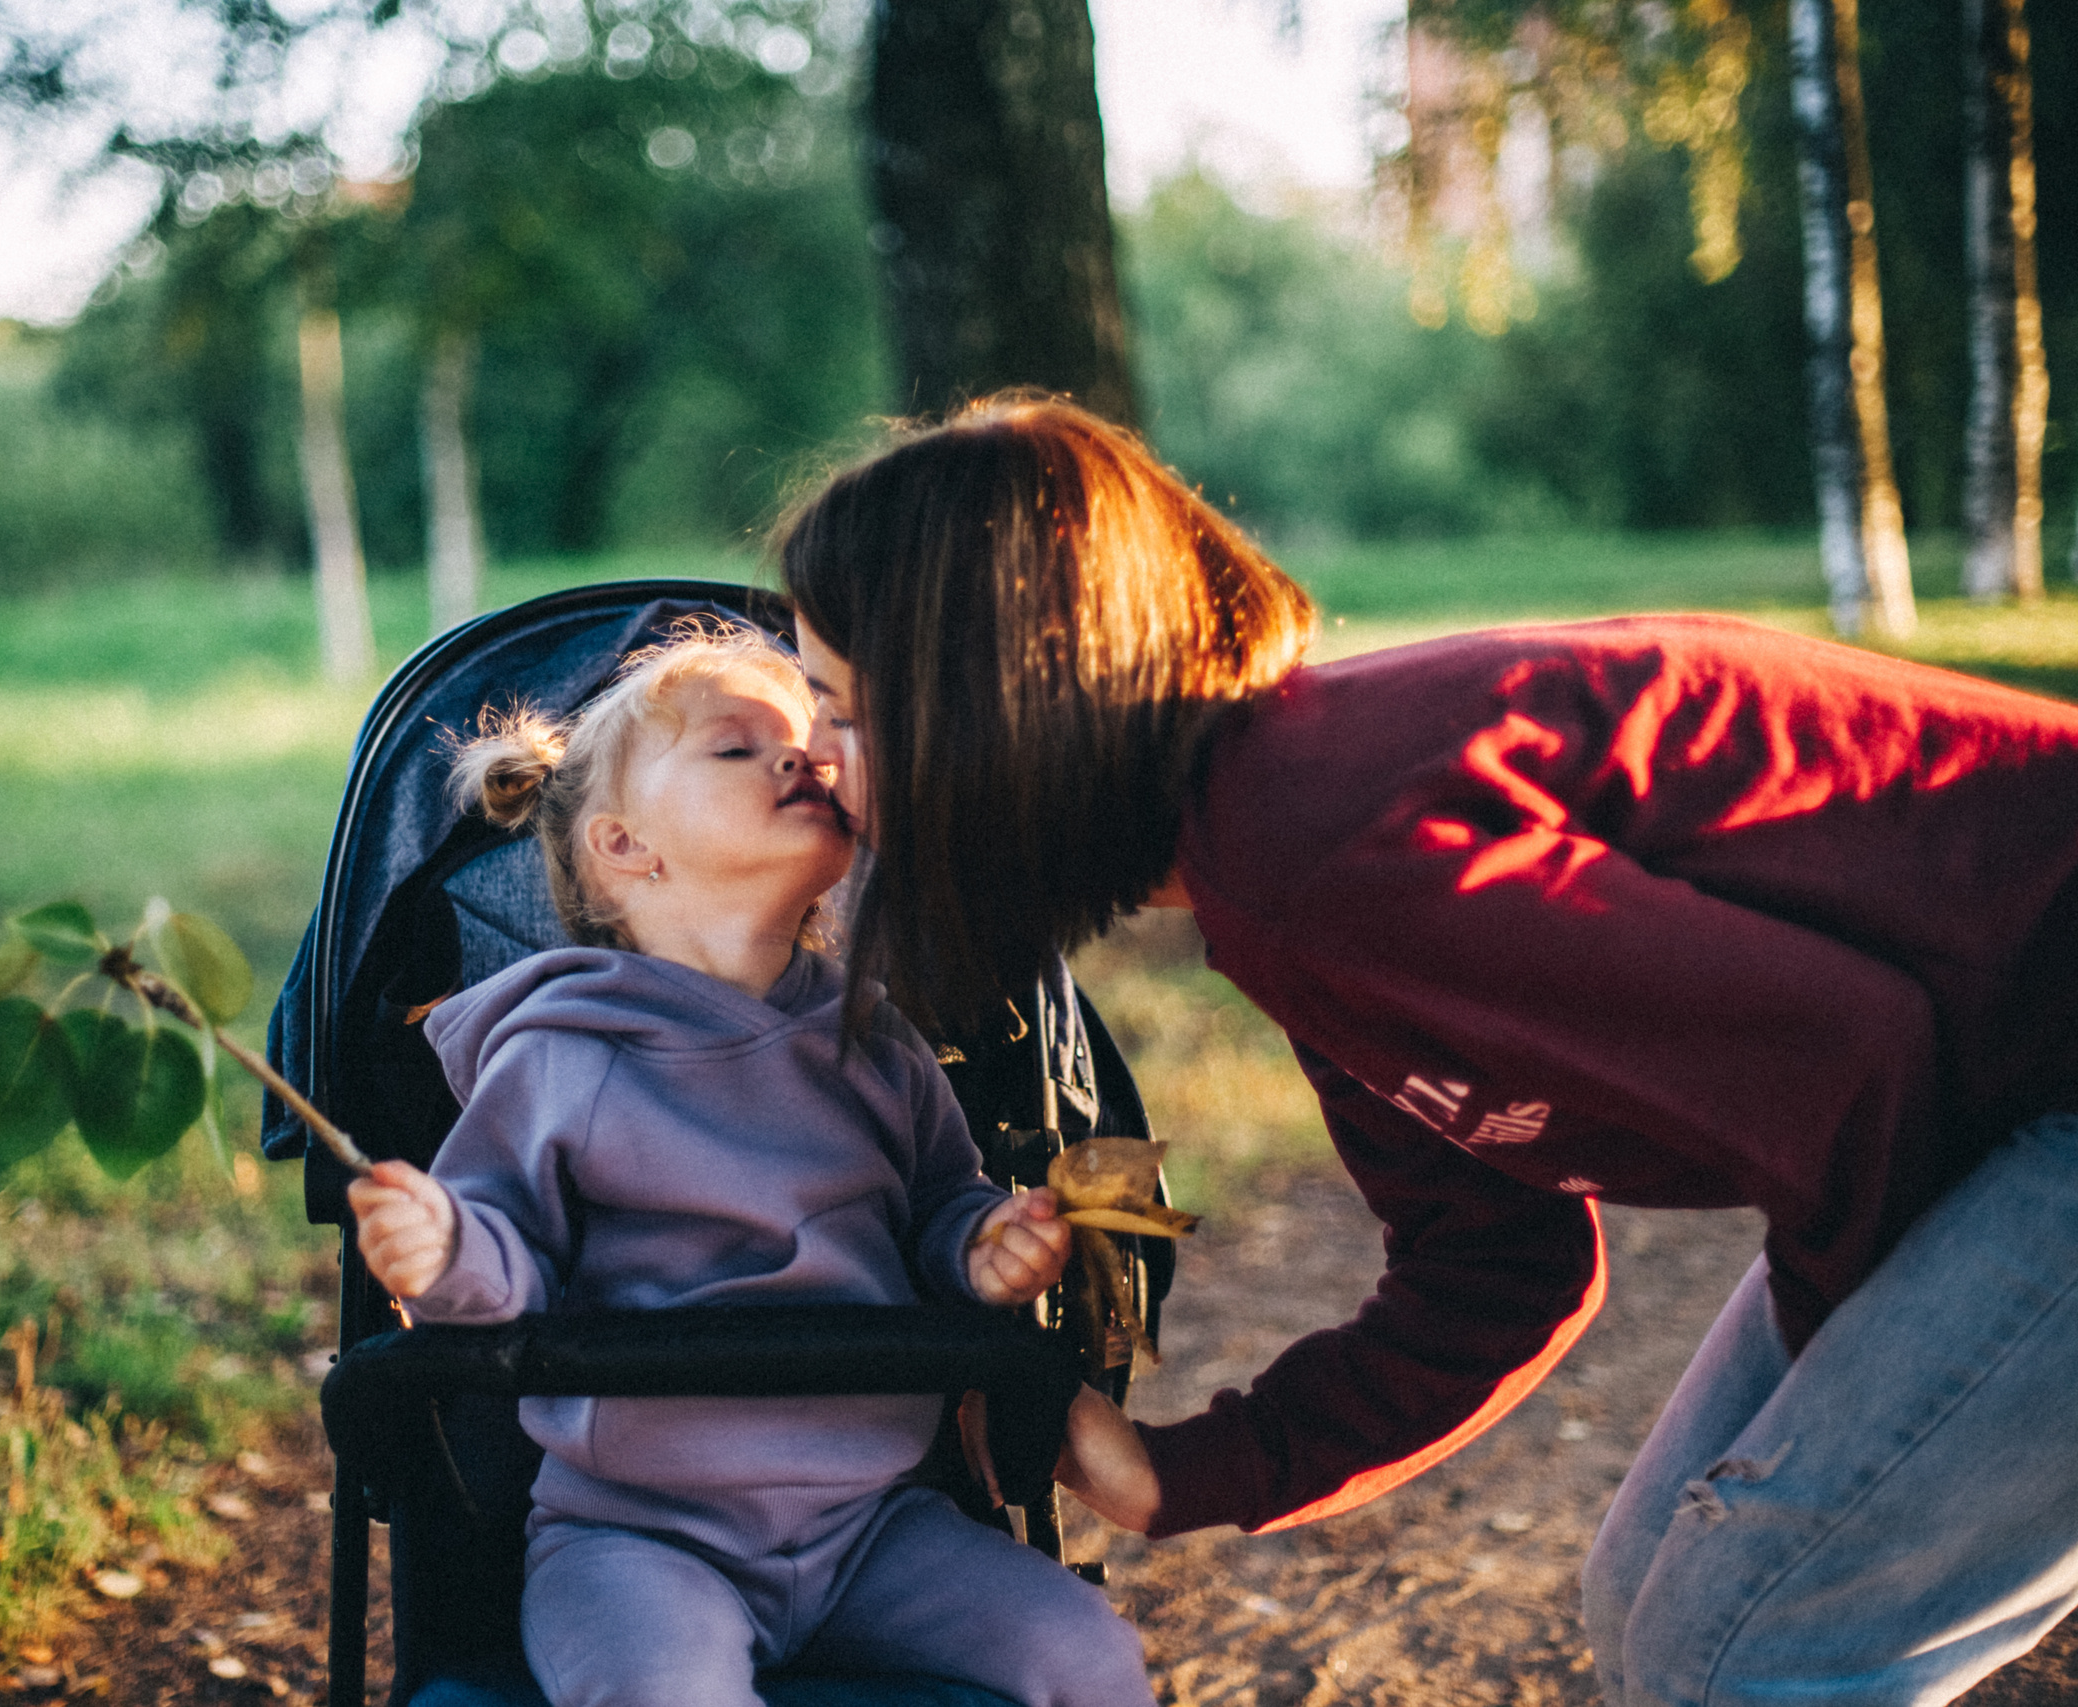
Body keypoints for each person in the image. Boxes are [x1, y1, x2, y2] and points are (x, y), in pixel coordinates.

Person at [774, 393, 2078, 1707]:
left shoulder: (1318, 849)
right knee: (1650, 1604)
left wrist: (1838, 1411)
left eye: (841, 712)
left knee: (1739, 1648)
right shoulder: (1267, 860)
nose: (815, 762)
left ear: (990, 710)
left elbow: (1849, 1066)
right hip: (1993, 1103)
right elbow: (1491, 1264)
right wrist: (1181, 1474)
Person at [345, 624, 1157, 1707]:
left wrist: (979, 1245)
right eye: (737, 748)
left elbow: (937, 1203)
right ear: (624, 845)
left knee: (1088, 1656)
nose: (797, 760)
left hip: (875, 1522)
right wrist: (445, 1247)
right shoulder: (566, 1053)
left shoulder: (876, 1043)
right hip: (642, 1535)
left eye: (811, 751)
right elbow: (507, 1256)